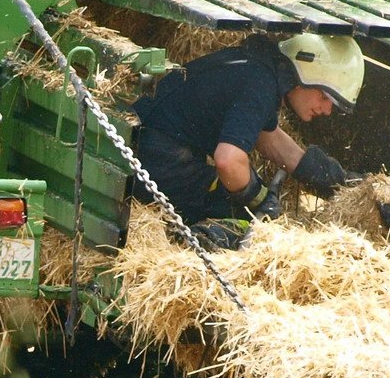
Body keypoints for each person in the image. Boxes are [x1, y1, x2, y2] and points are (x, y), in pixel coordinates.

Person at [132, 33, 364, 243]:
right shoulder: (260, 88)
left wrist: (337, 182)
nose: (326, 110)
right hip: (157, 163)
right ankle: (196, 245)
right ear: (307, 76)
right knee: (247, 218)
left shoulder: (258, 71)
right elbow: (228, 160)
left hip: (151, 145)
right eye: (325, 97)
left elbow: (270, 139)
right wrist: (257, 197)